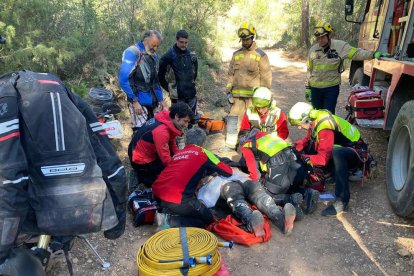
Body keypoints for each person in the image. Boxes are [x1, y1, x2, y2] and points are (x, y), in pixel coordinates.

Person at [0, 71, 127, 272]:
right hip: (80, 207)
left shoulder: (6, 94)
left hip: (32, 214)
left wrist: (2, 250)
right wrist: (117, 221)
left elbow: (12, 179)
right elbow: (110, 162)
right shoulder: (61, 89)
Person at [288, 102, 370, 216]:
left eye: (299, 124)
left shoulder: (324, 127)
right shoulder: (314, 119)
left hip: (357, 151)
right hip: (345, 146)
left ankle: (342, 201)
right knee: (308, 147)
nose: (298, 127)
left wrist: (303, 157)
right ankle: (331, 172)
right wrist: (294, 148)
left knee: (337, 153)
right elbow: (307, 139)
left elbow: (322, 159)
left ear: (307, 119)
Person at [152, 128, 233, 228]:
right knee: (207, 219)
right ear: (204, 143)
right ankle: (168, 221)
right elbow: (228, 172)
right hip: (177, 199)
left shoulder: (178, 154)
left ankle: (168, 210)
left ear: (186, 141)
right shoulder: (204, 153)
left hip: (157, 194)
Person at [305, 20, 389, 114]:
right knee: (315, 114)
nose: (320, 40)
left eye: (323, 37)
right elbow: (309, 69)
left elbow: (357, 53)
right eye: (318, 38)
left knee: (328, 115)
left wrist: (373, 54)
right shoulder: (313, 50)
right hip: (315, 89)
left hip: (331, 88)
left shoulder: (340, 46)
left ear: (329, 35)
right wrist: (308, 87)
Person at [238, 130, 319, 220]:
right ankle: (307, 193)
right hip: (296, 161)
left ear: (242, 140)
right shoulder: (266, 135)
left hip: (279, 165)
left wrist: (251, 183)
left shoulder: (247, 145)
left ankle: (290, 199)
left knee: (268, 194)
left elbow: (254, 173)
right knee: (290, 187)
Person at [223, 22, 272, 151]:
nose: (245, 42)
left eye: (247, 39)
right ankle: (230, 145)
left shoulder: (260, 55)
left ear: (252, 37)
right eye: (243, 39)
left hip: (253, 98)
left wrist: (265, 96)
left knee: (253, 122)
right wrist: (228, 90)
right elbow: (230, 73)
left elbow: (266, 77)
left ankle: (254, 146)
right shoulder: (236, 54)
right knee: (233, 119)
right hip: (237, 97)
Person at [128, 102, 194, 187]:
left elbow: (172, 141)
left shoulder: (167, 118)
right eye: (185, 121)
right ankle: (138, 176)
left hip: (144, 149)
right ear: (177, 116)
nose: (186, 125)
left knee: (174, 161)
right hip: (140, 160)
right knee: (159, 182)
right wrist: (180, 168)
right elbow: (165, 159)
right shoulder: (161, 132)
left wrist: (180, 156)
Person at [119, 30, 166, 131]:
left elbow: (155, 80)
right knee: (140, 134)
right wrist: (134, 101)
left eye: (157, 46)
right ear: (146, 40)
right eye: (153, 45)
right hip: (138, 102)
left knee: (155, 132)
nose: (155, 48)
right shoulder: (132, 52)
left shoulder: (153, 55)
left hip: (153, 100)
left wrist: (161, 99)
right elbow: (123, 80)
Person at [158, 30, 198, 114]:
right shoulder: (168, 56)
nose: (184, 44)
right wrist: (170, 89)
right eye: (181, 42)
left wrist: (191, 84)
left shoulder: (192, 55)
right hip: (177, 98)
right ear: (176, 40)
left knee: (191, 122)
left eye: (186, 42)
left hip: (191, 95)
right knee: (178, 123)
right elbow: (160, 76)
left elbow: (195, 74)